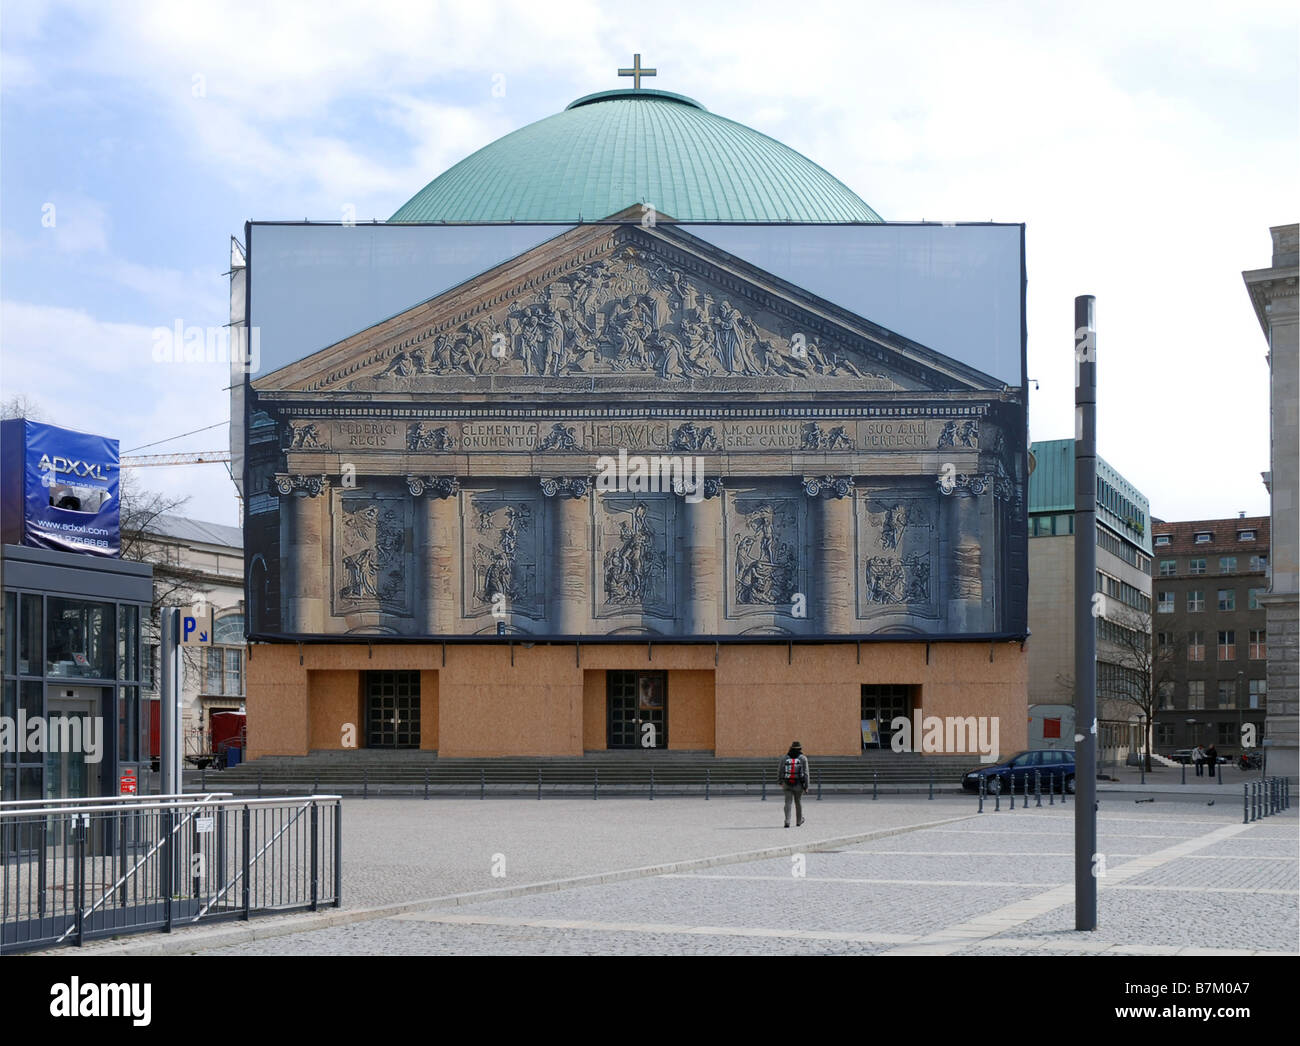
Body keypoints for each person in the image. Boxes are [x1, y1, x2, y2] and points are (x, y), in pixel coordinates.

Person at [780, 741, 810, 828]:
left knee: (788, 802)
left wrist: (780, 781)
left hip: (787, 783)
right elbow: (806, 773)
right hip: (799, 784)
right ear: (800, 748)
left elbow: (780, 770)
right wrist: (806, 786)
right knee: (798, 802)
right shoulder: (803, 758)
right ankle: (799, 821)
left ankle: (787, 821)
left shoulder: (784, 758)